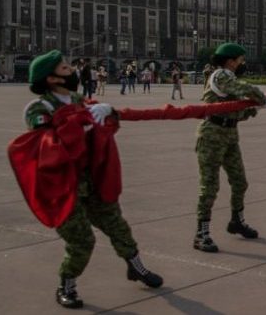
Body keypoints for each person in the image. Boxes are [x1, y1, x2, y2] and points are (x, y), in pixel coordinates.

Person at [22, 50, 163, 309]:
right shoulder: (39, 109)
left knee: (118, 226)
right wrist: (81, 123)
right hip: (64, 187)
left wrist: (108, 112)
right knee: (82, 241)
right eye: (65, 68)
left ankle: (136, 268)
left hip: (93, 180)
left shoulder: (78, 99)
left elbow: (103, 127)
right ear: (51, 79)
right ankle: (66, 285)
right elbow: (46, 145)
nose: (72, 70)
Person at [194, 43, 266, 253]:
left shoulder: (229, 78)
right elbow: (244, 90)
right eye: (240, 60)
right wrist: (261, 97)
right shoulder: (221, 76)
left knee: (240, 182)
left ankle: (237, 220)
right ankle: (202, 234)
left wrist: (252, 108)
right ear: (230, 61)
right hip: (211, 136)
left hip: (229, 135)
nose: (242, 64)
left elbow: (236, 110)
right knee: (209, 187)